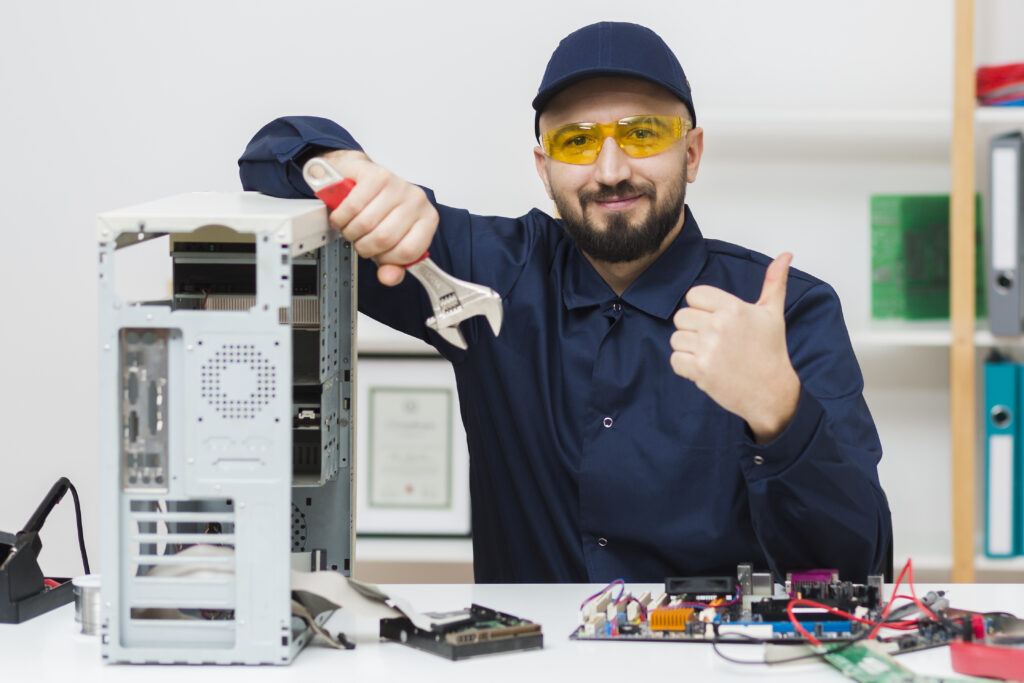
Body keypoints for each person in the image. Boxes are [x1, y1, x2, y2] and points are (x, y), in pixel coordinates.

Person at [239, 21, 891, 583]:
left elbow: (863, 567)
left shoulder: (786, 315)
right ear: (543, 166)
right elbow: (268, 165)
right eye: (577, 142)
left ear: (691, 153)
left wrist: (780, 412)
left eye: (642, 133)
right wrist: (344, 172)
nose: (610, 169)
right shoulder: (481, 267)